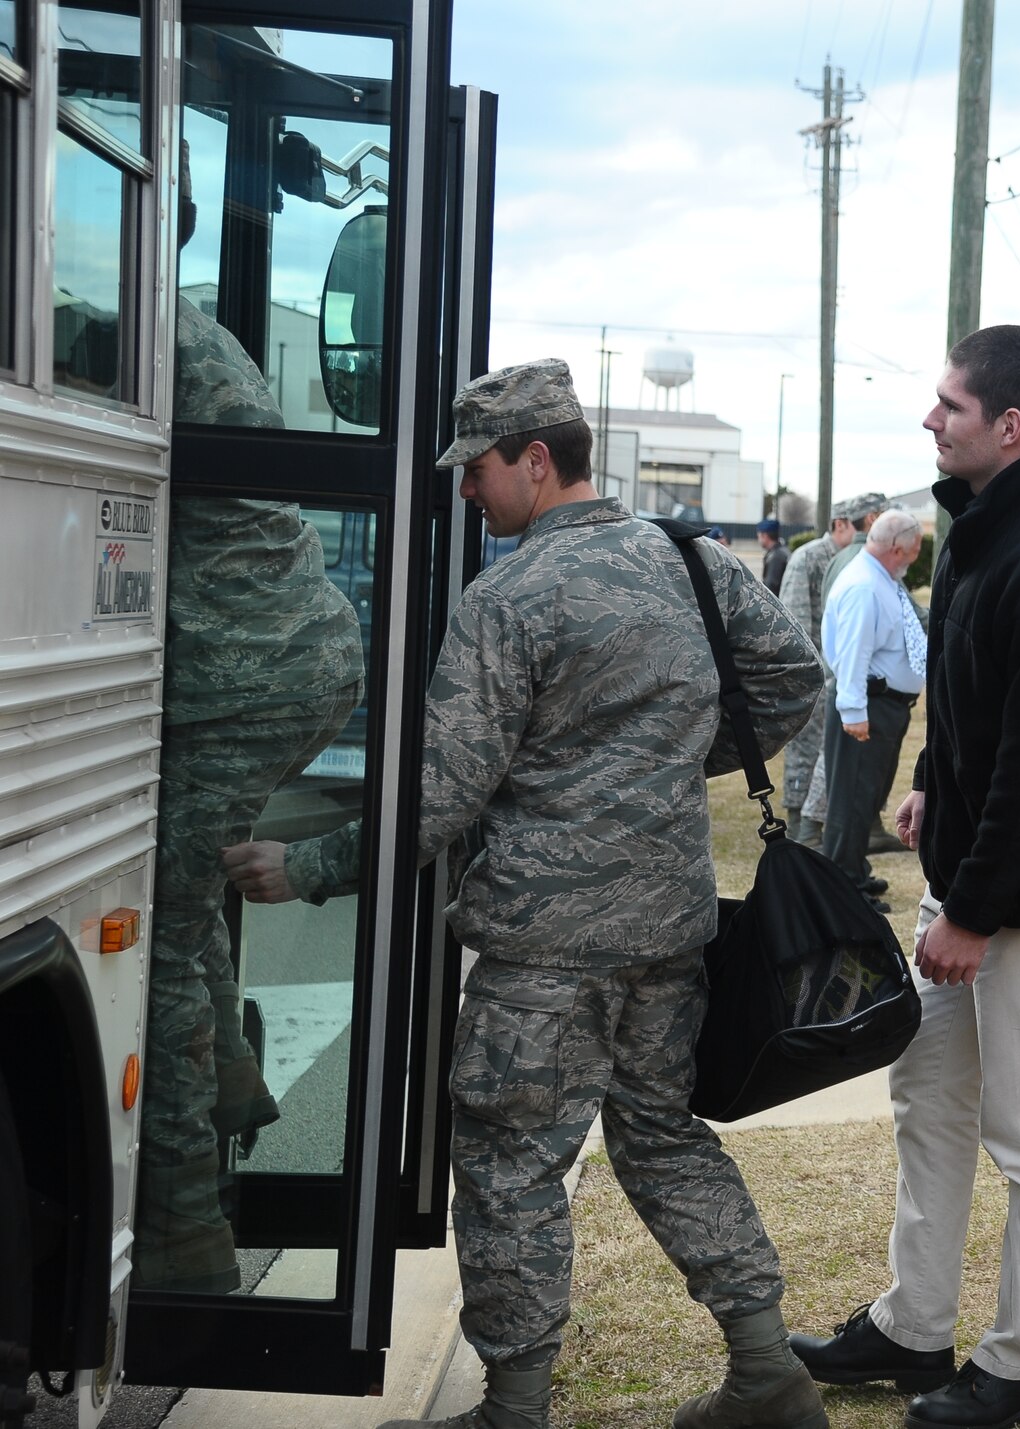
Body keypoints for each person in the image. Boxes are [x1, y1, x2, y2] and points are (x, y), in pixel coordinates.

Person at [222, 361, 827, 1429]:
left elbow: (440, 795)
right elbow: (790, 679)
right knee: (662, 1138)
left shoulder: (508, 598)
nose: (467, 492)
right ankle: (767, 1370)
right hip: (668, 927)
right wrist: (670, 763)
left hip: (546, 949)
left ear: (536, 461)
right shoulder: (692, 562)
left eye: (478, 470)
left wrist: (307, 867)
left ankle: (513, 1410)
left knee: (508, 1166)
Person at [790, 327, 1020, 1429]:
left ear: (1010, 428)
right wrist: (932, 778)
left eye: (947, 405)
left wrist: (975, 910)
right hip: (967, 880)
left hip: (1018, 909)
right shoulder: (981, 529)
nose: (929, 420)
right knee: (927, 1103)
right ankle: (910, 1326)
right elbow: (973, 700)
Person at [133, 140, 367, 1295]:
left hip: (242, 673)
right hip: (287, 657)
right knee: (183, 893)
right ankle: (228, 1079)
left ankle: (183, 1237)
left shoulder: (129, 328)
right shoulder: (179, 321)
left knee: (163, 923)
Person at [819, 509, 928, 910]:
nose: (915, 558)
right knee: (851, 797)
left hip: (884, 705)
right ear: (897, 549)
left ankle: (854, 871)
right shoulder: (865, 585)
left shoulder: (881, 579)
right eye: (914, 551)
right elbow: (852, 654)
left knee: (867, 796)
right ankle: (842, 889)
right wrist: (854, 713)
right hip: (867, 704)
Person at [777, 501, 859, 842]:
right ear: (840, 524)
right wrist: (808, 678)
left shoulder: (848, 560)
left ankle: (819, 828)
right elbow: (793, 622)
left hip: (834, 676)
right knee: (804, 753)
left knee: (828, 757)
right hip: (808, 678)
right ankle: (799, 831)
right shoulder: (808, 557)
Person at [756, 517, 790, 593]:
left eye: (759, 536)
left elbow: (770, 587)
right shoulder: (783, 551)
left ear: (765, 536)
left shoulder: (776, 557)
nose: (758, 540)